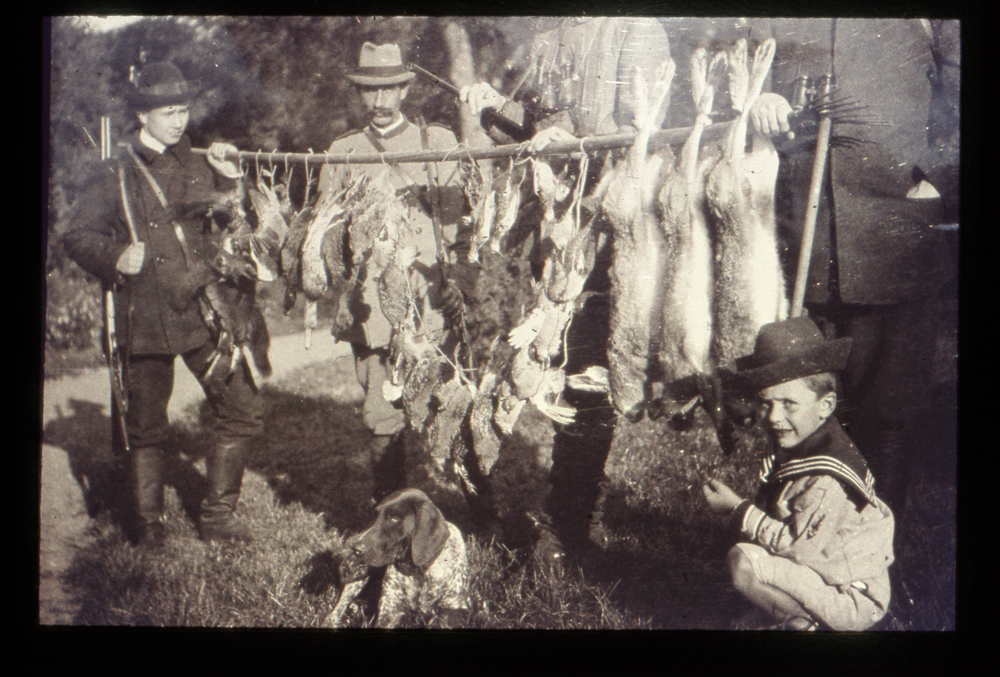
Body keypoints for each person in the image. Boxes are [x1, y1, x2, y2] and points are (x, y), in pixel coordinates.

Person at [460, 18, 672, 567]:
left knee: (592, 379)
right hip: (564, 234)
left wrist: (572, 142)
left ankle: (569, 526)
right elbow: (538, 125)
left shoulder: (636, 29)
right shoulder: (550, 35)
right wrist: (494, 108)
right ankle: (570, 516)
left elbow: (641, 134)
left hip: (617, 229)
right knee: (568, 372)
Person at [746, 19, 959, 518]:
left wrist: (940, 178)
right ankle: (802, 544)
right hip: (806, 230)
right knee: (801, 408)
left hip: (895, 227)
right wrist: (762, 96)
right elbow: (751, 61)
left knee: (889, 415)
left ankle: (874, 559)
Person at [64, 61, 261, 548]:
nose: (179, 120)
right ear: (143, 115)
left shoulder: (197, 162)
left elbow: (231, 226)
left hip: (199, 312)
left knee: (241, 405)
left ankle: (216, 518)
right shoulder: (113, 171)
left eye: (183, 109)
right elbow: (75, 234)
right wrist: (114, 256)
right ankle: (148, 526)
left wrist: (231, 181)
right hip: (143, 317)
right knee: (146, 426)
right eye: (169, 111)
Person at [317, 42, 468, 504]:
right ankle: (392, 514)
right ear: (359, 94)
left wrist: (458, 281)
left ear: (405, 89)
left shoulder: (436, 143)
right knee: (382, 418)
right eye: (369, 91)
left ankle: (480, 505)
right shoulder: (343, 153)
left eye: (388, 90)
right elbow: (328, 239)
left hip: (430, 308)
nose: (379, 103)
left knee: (454, 408)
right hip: (374, 312)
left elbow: (459, 229)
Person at [702, 317, 895, 631]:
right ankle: (787, 610)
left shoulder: (825, 477)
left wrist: (738, 511)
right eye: (766, 403)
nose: (774, 416)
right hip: (825, 570)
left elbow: (797, 547)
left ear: (826, 405)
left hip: (852, 595)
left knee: (743, 561)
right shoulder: (808, 439)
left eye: (789, 403)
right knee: (747, 554)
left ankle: (801, 623)